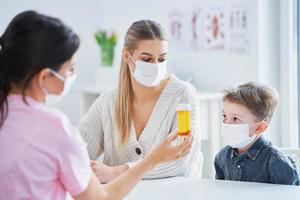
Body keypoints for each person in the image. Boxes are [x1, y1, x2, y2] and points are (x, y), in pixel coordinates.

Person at [0, 11, 192, 200]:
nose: (71, 77)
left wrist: (114, 171)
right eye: (70, 69)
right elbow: (99, 195)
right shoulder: (57, 127)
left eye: (162, 58)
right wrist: (151, 160)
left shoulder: (8, 117)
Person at [79, 19, 202, 183]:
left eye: (162, 59)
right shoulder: (108, 101)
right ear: (126, 56)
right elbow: (77, 152)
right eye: (147, 59)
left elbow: (178, 161)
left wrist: (116, 172)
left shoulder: (183, 95)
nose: (156, 65)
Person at [214, 82, 299, 185]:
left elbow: (291, 195)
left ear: (259, 127)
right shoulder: (222, 157)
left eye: (235, 118)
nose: (226, 123)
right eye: (224, 116)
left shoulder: (276, 161)